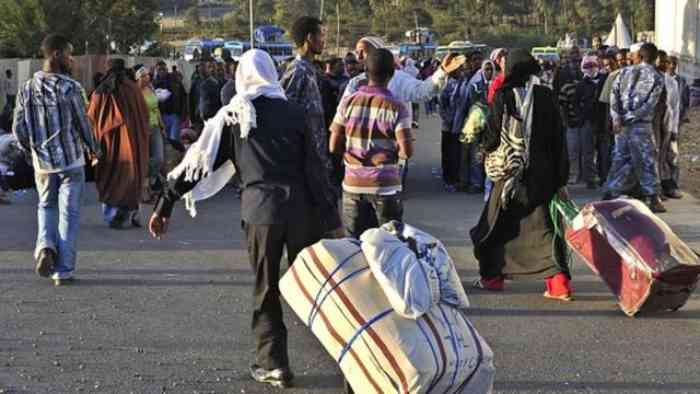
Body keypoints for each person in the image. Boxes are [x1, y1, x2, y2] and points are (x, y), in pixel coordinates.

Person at [148, 49, 342, 389]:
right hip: (302, 213)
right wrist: (331, 218)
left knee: (266, 288)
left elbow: (198, 162)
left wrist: (165, 204)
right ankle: (346, 358)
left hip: (260, 213)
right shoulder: (294, 113)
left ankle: (274, 365)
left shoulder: (235, 116)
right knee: (314, 288)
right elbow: (316, 169)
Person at [470, 49, 572, 300]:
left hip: (509, 177)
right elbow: (559, 140)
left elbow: (492, 136)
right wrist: (561, 179)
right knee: (545, 230)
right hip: (543, 177)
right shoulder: (546, 96)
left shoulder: (503, 96)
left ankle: (492, 278)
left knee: (495, 226)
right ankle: (558, 285)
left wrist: (481, 148)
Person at [12, 34, 99, 286]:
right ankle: (62, 270)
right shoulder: (71, 88)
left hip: (42, 163)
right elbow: (84, 125)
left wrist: (30, 152)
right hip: (71, 162)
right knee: (68, 215)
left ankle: (45, 248)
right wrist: (95, 150)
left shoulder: (26, 88)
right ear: (57, 55)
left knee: (46, 206)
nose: (72, 60)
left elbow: (18, 128)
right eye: (70, 54)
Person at [330, 48, 413, 239]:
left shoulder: (348, 102)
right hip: (385, 186)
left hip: (353, 185)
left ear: (365, 71)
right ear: (392, 73)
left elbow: (333, 145)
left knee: (354, 245)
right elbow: (407, 152)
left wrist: (352, 156)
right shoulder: (397, 107)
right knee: (390, 248)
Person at [280, 16, 339, 238]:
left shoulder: (310, 70)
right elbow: (287, 116)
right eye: (321, 35)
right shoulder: (297, 72)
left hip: (316, 162)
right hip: (305, 166)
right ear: (309, 38)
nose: (324, 41)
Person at [603, 43, 666, 213]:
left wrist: (617, 118)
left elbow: (613, 95)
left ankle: (611, 192)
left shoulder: (624, 72)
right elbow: (650, 105)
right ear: (654, 57)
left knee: (620, 158)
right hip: (640, 125)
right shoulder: (658, 77)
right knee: (646, 160)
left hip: (621, 126)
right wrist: (629, 118)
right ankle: (652, 197)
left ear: (640, 55)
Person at [88, 58, 150, 228]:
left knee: (111, 177)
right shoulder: (133, 90)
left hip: (109, 146)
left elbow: (91, 119)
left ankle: (114, 214)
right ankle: (132, 212)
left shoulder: (101, 91)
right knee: (132, 175)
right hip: (134, 143)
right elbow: (144, 116)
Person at [457, 59, 495, 194]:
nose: (489, 72)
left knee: (480, 153)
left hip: (489, 124)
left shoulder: (495, 86)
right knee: (470, 153)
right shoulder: (475, 85)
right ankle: (468, 181)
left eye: (491, 69)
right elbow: (468, 104)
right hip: (473, 124)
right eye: (487, 69)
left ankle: (477, 182)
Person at [135, 65, 165, 203]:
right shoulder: (135, 92)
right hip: (142, 129)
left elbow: (156, 107)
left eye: (148, 75)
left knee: (159, 158)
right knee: (145, 158)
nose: (148, 77)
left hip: (155, 127)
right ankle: (145, 189)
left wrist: (161, 123)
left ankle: (147, 181)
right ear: (138, 78)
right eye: (145, 75)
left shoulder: (151, 88)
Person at [656, 51, 682, 199]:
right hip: (652, 124)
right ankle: (656, 188)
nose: (664, 64)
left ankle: (669, 185)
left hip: (667, 123)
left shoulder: (672, 82)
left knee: (669, 156)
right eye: (661, 61)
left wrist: (674, 129)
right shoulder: (649, 79)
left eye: (666, 62)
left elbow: (675, 107)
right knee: (654, 156)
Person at [153, 60, 188, 152]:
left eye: (163, 69)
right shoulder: (153, 83)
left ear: (167, 69)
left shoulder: (175, 80)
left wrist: (184, 113)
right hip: (161, 116)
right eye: (159, 69)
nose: (161, 71)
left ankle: (178, 159)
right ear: (156, 70)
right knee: (166, 141)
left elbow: (184, 96)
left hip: (174, 115)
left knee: (174, 140)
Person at [438, 68, 463, 191]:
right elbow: (442, 105)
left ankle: (455, 178)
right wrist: (448, 119)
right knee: (448, 153)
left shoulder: (463, 82)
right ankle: (448, 178)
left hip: (459, 125)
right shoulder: (447, 84)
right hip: (448, 125)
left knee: (456, 153)